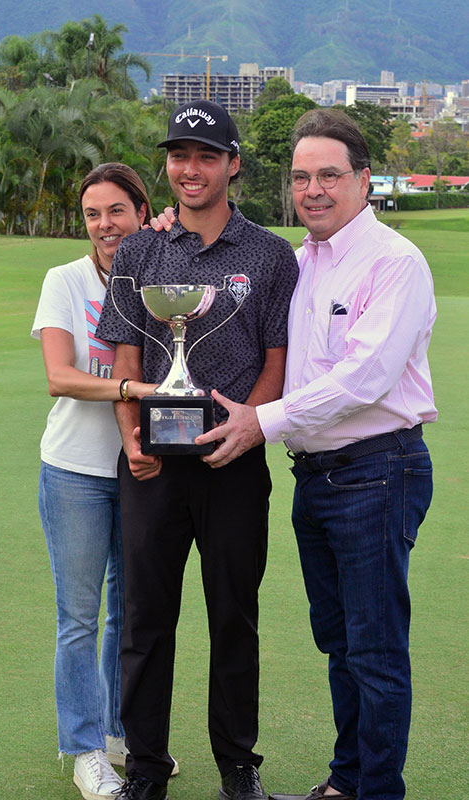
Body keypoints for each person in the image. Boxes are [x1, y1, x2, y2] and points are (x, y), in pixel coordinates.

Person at [193, 108, 437, 800]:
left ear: (365, 180)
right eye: (301, 176)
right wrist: (167, 233)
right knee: (339, 642)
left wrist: (261, 422)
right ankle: (348, 779)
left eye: (330, 174)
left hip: (377, 470)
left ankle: (378, 790)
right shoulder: (296, 262)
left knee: (376, 650)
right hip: (317, 477)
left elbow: (364, 378)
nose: (314, 188)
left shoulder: (394, 262)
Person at [95, 100, 298, 800]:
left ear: (232, 165)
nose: (189, 169)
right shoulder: (141, 249)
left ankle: (238, 769)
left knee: (233, 617)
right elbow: (125, 345)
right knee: (146, 619)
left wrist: (251, 421)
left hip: (234, 462)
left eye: (206, 156)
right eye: (179, 155)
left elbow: (277, 356)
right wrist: (129, 434)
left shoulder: (270, 254)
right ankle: (146, 770)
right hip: (151, 462)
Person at [32, 162, 169, 800]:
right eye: (93, 213)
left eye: (118, 210)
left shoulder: (163, 272)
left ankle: (118, 732)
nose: (105, 225)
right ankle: (85, 748)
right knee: (79, 617)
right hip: (76, 471)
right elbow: (60, 375)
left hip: (144, 467)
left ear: (142, 211)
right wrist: (127, 387)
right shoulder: (65, 280)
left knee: (131, 613)